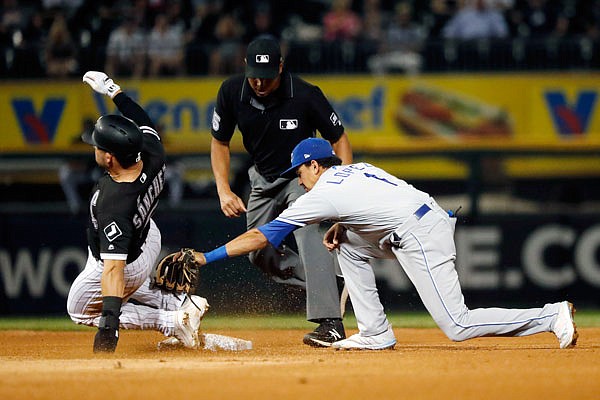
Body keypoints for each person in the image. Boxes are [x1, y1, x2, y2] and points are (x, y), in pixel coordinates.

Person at [183, 137, 578, 350]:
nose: (297, 178)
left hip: (420, 234)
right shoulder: (358, 169)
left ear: (316, 165)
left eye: (300, 170)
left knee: (457, 325)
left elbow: (262, 235)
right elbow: (388, 199)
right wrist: (343, 224)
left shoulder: (319, 194)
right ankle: (375, 332)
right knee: (346, 243)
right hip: (421, 219)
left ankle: (550, 316)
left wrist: (206, 256)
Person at [210, 35, 353, 347]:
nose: (260, 83)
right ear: (245, 67)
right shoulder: (232, 91)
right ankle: (336, 279)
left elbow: (339, 138)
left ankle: (330, 322)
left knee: (304, 230)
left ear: (281, 68)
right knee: (258, 252)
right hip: (262, 178)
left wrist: (340, 180)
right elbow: (220, 142)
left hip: (300, 176)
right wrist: (223, 189)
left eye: (268, 76)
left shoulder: (304, 94)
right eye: (255, 76)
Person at [67, 71, 209, 353]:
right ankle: (178, 303)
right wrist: (113, 90)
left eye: (97, 144)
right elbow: (143, 120)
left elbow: (113, 270)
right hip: (147, 236)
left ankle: (170, 320)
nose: (93, 146)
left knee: (79, 309)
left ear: (109, 157)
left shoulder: (115, 203)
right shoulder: (152, 152)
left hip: (126, 260)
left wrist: (109, 326)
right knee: (123, 278)